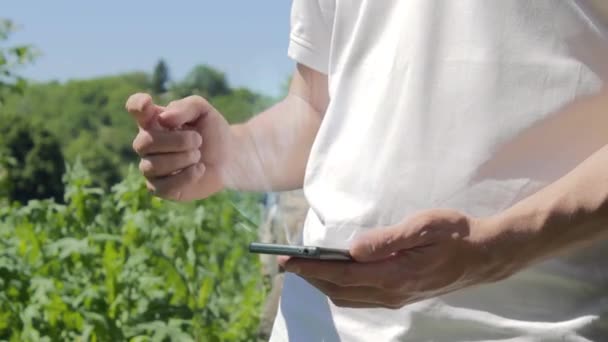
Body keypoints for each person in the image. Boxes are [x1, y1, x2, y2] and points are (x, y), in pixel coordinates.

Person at [126, 0, 608, 340]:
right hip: (319, 325)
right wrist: (228, 153)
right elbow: (317, 108)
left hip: (540, 326)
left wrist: (498, 249)